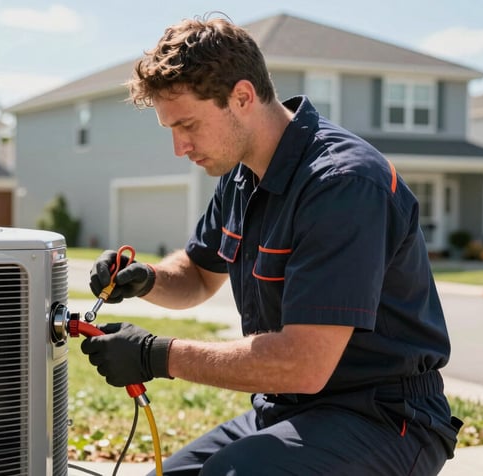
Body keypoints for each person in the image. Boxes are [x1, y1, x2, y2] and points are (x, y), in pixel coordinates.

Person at [81, 13, 462, 476]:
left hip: (384, 417)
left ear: (242, 96)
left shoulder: (343, 184)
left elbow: (303, 363)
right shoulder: (242, 175)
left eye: (188, 125)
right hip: (289, 408)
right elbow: (200, 276)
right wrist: (146, 279)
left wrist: (155, 355)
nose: (180, 147)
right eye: (171, 131)